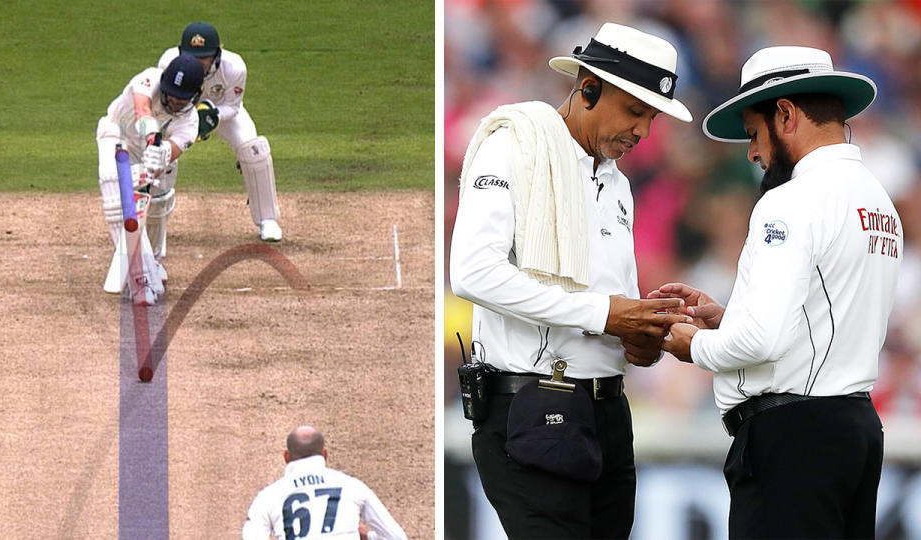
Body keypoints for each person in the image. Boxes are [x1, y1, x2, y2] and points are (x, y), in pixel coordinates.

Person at [449, 23, 694, 539]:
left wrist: (639, 336)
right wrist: (606, 313)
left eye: (651, 117)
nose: (643, 132)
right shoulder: (512, 147)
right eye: (635, 111)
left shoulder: (619, 185)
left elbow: (609, 306)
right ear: (588, 87)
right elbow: (472, 272)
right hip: (531, 404)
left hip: (608, 411)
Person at [658, 46, 903, 539]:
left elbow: (763, 342)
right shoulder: (879, 201)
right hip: (854, 427)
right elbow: (817, 326)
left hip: (793, 439)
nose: (752, 152)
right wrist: (733, 319)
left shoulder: (789, 201)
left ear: (785, 114)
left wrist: (693, 345)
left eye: (753, 134)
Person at [158, 22, 284, 244]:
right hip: (180, 113)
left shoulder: (234, 67)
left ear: (217, 54)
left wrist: (211, 114)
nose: (198, 63)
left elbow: (233, 107)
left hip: (220, 112)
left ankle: (268, 219)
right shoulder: (169, 62)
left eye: (203, 57)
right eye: (191, 56)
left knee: (254, 149)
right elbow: (164, 99)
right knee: (161, 153)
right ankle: (157, 221)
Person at [97, 53, 205, 302]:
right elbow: (141, 108)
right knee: (114, 191)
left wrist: (161, 156)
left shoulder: (190, 123)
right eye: (171, 95)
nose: (174, 102)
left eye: (182, 99)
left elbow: (174, 150)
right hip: (117, 134)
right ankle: (141, 279)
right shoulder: (148, 79)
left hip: (155, 152)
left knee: (157, 204)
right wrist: (152, 136)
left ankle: (153, 262)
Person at [242, 425, 407, 540]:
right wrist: (366, 537)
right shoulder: (352, 486)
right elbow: (397, 537)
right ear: (325, 455)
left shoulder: (267, 497)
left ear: (286, 457)